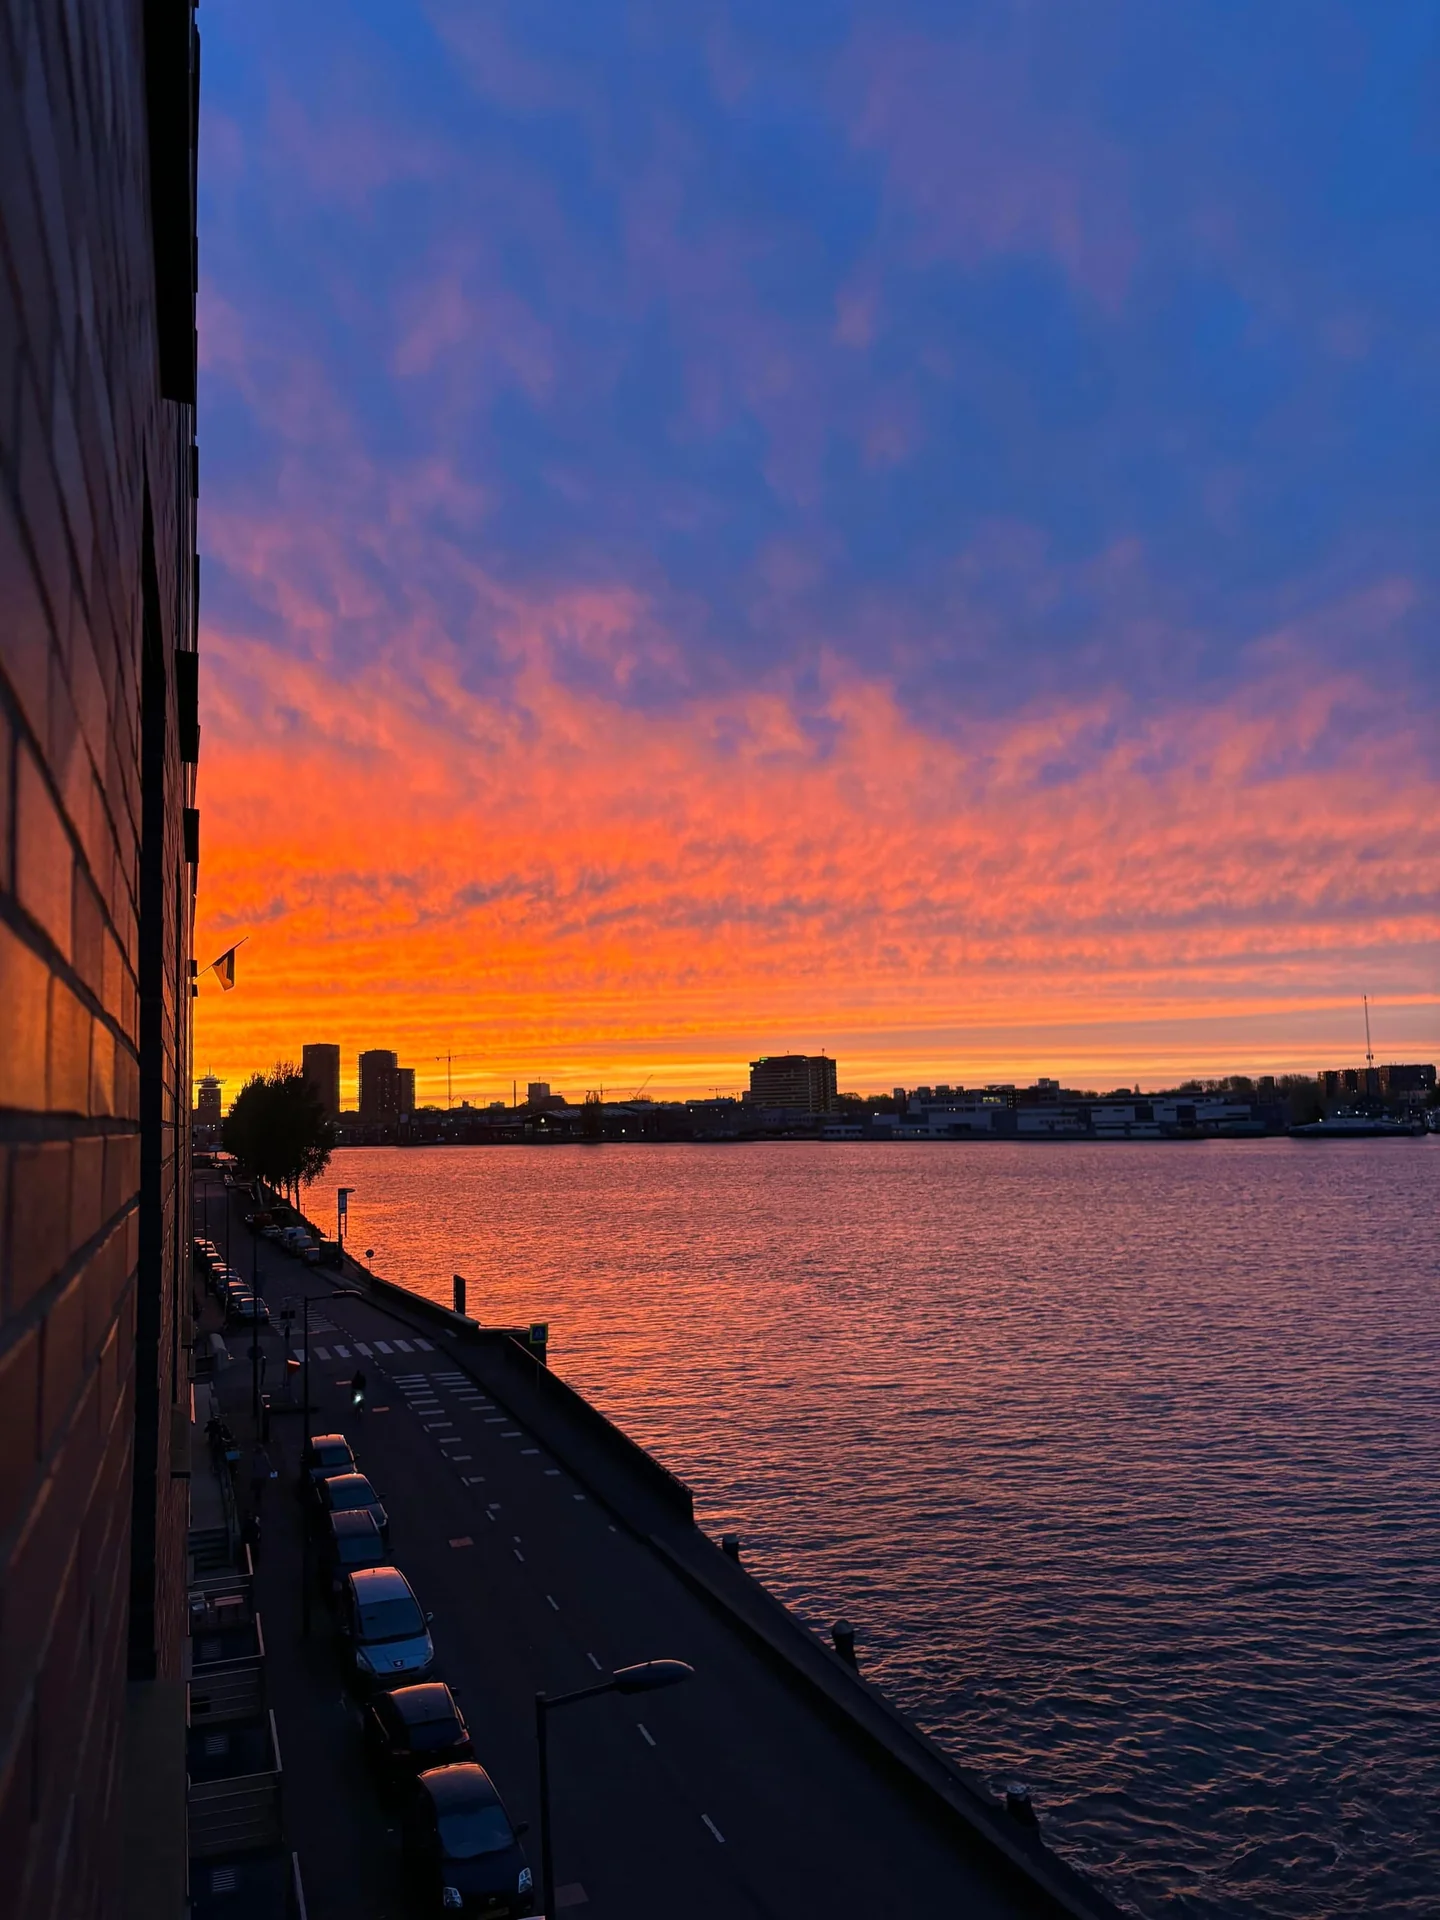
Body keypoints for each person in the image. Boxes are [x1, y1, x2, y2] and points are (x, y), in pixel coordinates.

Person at [249, 1441, 273, 1510]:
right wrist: (272, 1469)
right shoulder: (264, 1455)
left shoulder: (255, 1456)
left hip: (256, 1473)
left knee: (256, 1486)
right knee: (260, 1486)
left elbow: (253, 1464)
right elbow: (268, 1464)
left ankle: (257, 1496)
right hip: (262, 1474)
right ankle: (258, 1496)